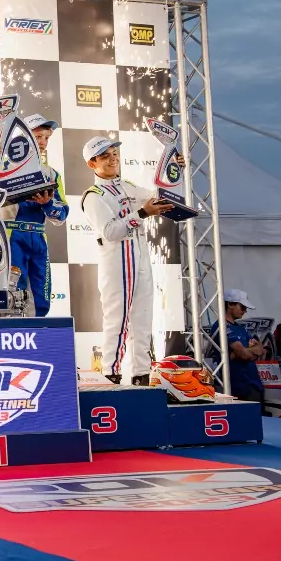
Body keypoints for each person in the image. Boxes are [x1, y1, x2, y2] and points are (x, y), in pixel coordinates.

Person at [80, 136, 182, 386]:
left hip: (141, 260)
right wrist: (143, 212)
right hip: (117, 263)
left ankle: (141, 376)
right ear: (92, 164)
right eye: (105, 156)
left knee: (143, 321)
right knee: (117, 321)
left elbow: (157, 198)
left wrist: (171, 171)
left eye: (114, 154)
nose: (113, 159)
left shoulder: (126, 185)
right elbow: (111, 231)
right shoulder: (93, 195)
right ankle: (110, 376)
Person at [0, 114, 68, 316]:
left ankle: (37, 333)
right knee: (12, 295)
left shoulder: (51, 174)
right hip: (10, 236)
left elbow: (61, 215)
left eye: (46, 138)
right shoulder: (0, 166)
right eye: (38, 137)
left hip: (38, 237)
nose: (42, 142)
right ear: (22, 138)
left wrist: (47, 204)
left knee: (41, 297)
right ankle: (11, 332)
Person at [209, 289, 266, 404]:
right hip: (237, 387)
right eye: (242, 307)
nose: (245, 311)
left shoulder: (241, 328)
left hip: (253, 384)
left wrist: (246, 352)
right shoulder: (221, 326)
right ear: (230, 304)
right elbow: (244, 354)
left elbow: (261, 350)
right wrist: (249, 352)